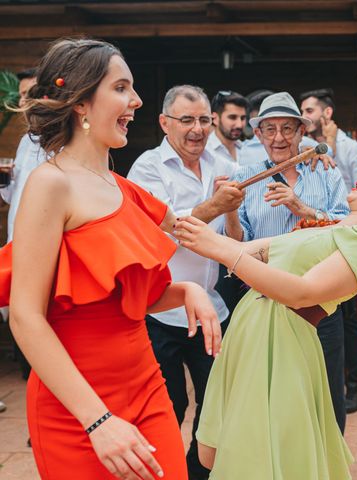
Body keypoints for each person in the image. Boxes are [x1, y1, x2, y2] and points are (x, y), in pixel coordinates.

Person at [0, 38, 221, 479]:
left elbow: (127, 298)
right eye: (122, 88)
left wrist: (186, 289)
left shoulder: (123, 188)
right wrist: (97, 421)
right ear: (82, 102)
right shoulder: (51, 184)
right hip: (76, 407)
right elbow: (24, 316)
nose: (136, 101)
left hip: (146, 388)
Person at [172, 160, 357, 479]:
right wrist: (192, 219)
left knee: (258, 456)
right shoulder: (332, 228)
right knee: (212, 451)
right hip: (248, 334)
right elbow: (247, 250)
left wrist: (225, 252)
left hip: (280, 342)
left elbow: (303, 293)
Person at [128, 84, 244, 480]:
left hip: (211, 307)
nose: (197, 129)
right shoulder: (147, 168)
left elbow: (233, 233)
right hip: (160, 311)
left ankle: (197, 474)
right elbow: (164, 230)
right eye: (187, 120)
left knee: (214, 408)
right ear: (164, 123)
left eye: (203, 120)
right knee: (168, 406)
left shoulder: (218, 160)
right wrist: (216, 205)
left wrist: (229, 214)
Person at [225, 91, 351, 432]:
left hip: (319, 303)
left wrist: (302, 209)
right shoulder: (246, 177)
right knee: (275, 398)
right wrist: (230, 213)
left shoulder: (325, 172)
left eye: (287, 128)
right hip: (268, 305)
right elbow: (238, 247)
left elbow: (347, 230)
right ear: (259, 134)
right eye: (269, 129)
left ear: (301, 132)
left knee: (326, 396)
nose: (278, 138)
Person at [300, 88, 357, 414]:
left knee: (349, 319)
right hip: (316, 238)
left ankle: (354, 385)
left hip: (348, 238)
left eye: (309, 110)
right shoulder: (303, 150)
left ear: (326, 114)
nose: (305, 117)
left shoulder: (353, 150)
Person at [0, 68, 43, 384]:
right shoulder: (26, 141)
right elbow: (15, 197)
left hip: (41, 256)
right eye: (23, 96)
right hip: (17, 248)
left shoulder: (56, 142)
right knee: (24, 342)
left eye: (31, 94)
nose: (25, 101)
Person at [205, 90, 248, 163]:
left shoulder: (247, 148)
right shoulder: (204, 152)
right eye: (232, 117)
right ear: (215, 119)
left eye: (243, 118)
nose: (239, 125)